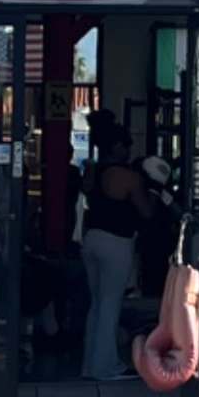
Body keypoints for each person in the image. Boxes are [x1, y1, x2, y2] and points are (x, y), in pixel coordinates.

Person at [79, 151, 151, 384]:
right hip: (117, 241)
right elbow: (146, 212)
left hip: (91, 238)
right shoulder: (130, 178)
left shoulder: (93, 171)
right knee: (111, 304)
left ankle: (89, 365)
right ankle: (106, 366)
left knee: (96, 304)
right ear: (121, 147)